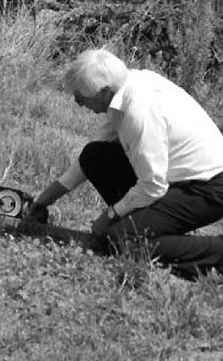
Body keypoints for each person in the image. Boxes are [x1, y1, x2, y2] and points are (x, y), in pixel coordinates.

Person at [26, 48, 223, 280]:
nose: (78, 104)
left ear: (104, 92)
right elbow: (91, 155)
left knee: (119, 239)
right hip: (181, 180)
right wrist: (45, 198)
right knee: (95, 156)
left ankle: (217, 254)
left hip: (208, 188)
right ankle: (151, 229)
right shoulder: (127, 89)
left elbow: (153, 186)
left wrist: (110, 215)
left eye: (80, 97)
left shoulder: (138, 111)